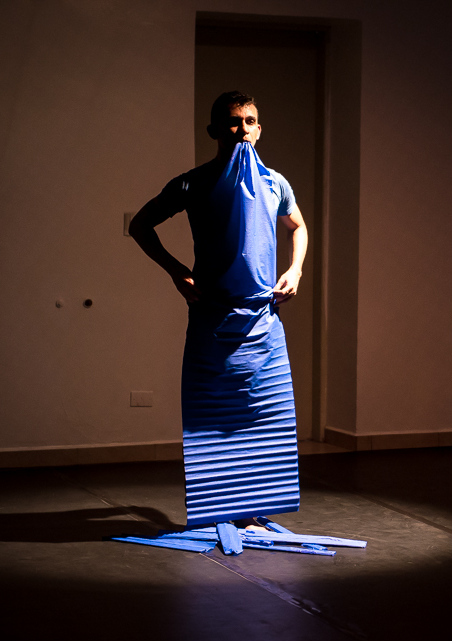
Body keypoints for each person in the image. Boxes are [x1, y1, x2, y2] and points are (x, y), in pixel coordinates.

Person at [129, 91, 307, 533]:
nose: (242, 130)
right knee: (213, 417)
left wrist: (295, 269)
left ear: (259, 129)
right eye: (232, 121)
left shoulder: (276, 184)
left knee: (264, 418)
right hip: (213, 319)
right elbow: (141, 225)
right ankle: (223, 507)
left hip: (263, 321)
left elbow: (298, 225)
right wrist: (177, 272)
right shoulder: (192, 184)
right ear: (213, 130)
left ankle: (250, 509)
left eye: (249, 121)